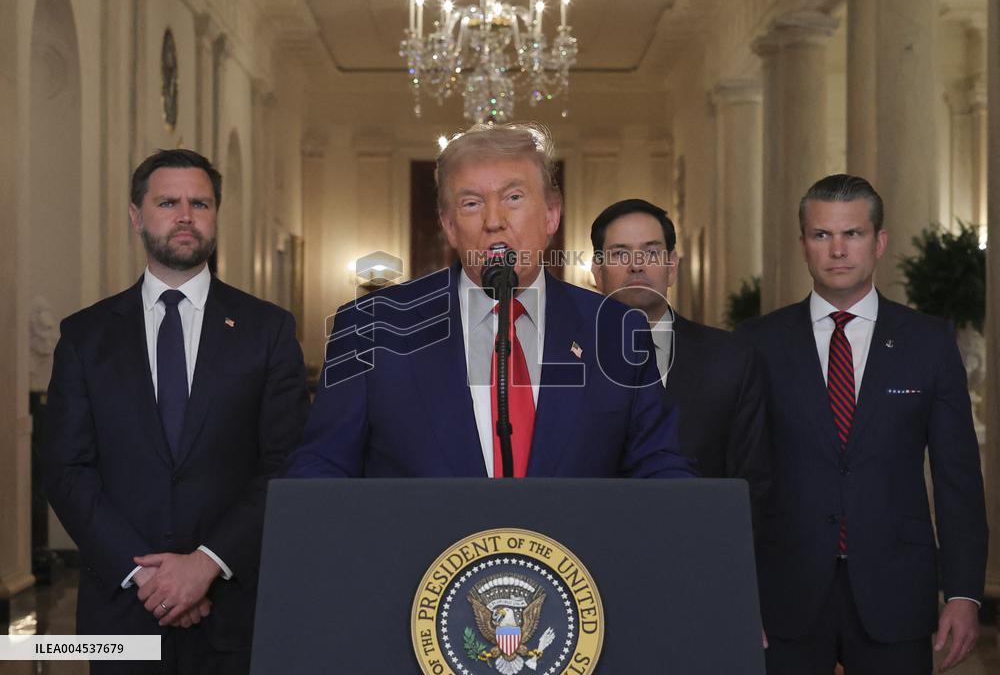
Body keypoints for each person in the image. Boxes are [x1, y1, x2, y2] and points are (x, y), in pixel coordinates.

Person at [285, 123, 693, 479]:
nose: (493, 220)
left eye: (513, 197)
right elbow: (322, 467)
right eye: (471, 203)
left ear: (551, 215)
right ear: (448, 225)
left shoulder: (616, 329)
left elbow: (658, 467)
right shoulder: (372, 325)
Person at [44, 149, 309, 673]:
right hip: (121, 612)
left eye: (200, 203)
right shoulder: (85, 336)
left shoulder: (267, 330)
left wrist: (205, 565)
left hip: (236, 611)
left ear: (214, 215)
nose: (186, 215)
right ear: (137, 215)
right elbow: (66, 469)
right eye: (168, 202)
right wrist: (150, 578)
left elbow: (285, 462)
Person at [736, 174, 988, 674]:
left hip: (897, 591)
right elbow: (738, 476)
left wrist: (964, 593)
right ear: (804, 245)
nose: (838, 250)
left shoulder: (929, 343)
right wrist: (734, 590)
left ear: (879, 243)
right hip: (783, 593)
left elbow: (957, 477)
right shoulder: (756, 344)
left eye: (852, 234)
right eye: (822, 235)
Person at [590, 198, 769, 532]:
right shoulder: (568, 361)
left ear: (672, 266)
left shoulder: (731, 359)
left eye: (651, 252)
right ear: (597, 272)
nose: (636, 265)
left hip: (701, 553)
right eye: (619, 254)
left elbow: (753, 482)